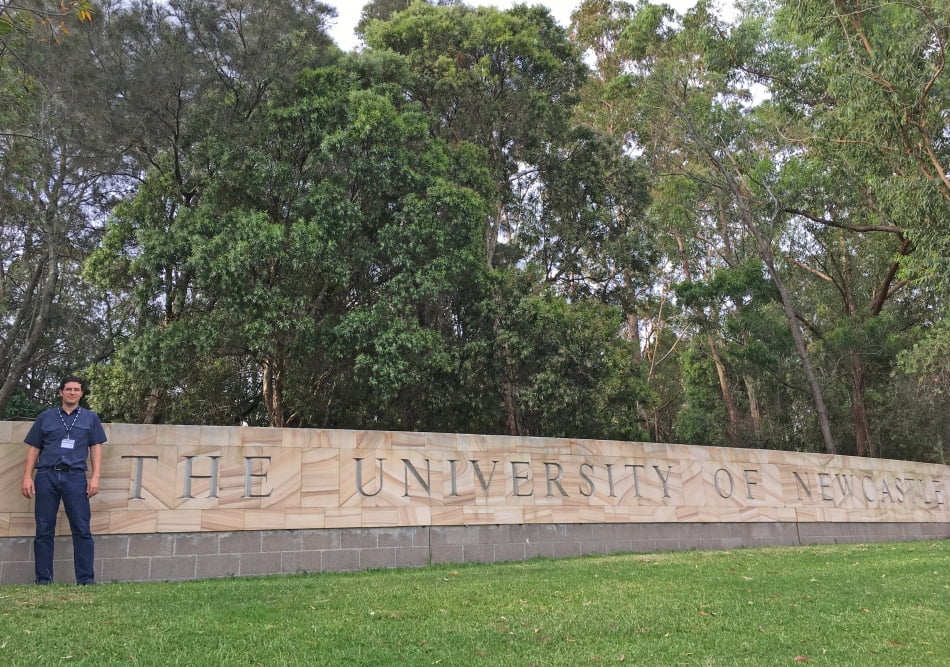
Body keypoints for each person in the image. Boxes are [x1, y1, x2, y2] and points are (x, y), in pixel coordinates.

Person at [21, 375, 107, 585]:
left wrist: (95, 477)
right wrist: (27, 477)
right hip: (46, 476)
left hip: (75, 477)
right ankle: (43, 580)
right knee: (43, 529)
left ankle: (86, 581)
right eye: (68, 389)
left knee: (82, 529)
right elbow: (34, 448)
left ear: (81, 393)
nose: (72, 392)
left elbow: (95, 447)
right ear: (60, 392)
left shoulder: (90, 418)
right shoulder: (46, 417)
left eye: (76, 389)